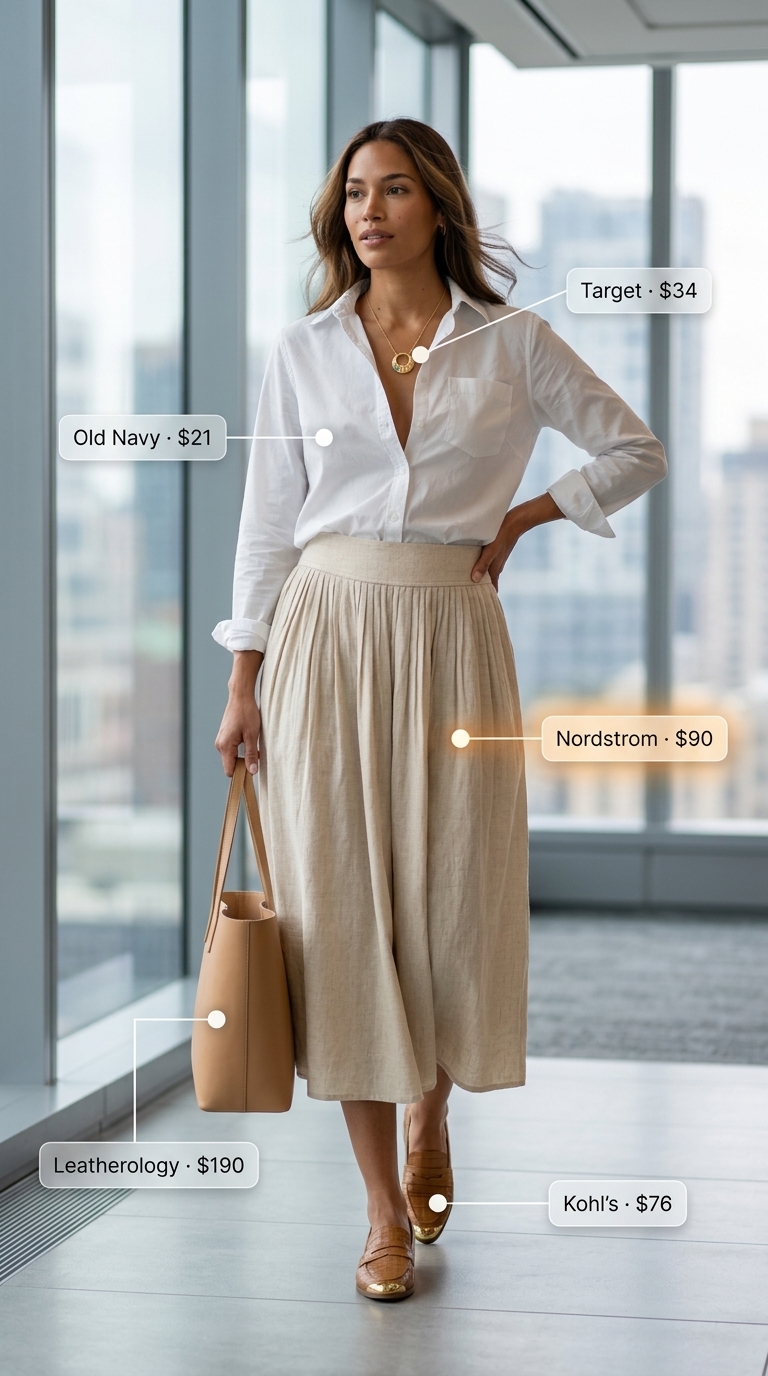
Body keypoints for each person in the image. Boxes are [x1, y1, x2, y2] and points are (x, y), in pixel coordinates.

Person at [213, 118, 666, 1301]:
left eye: (395, 188)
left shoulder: (513, 342)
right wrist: (242, 677)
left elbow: (634, 447)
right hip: (325, 633)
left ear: (439, 205)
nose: (369, 211)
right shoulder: (304, 349)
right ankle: (381, 1217)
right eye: (354, 192)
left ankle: (432, 1110)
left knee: (452, 900)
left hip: (454, 632)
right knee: (340, 917)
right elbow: (269, 524)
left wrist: (526, 515)